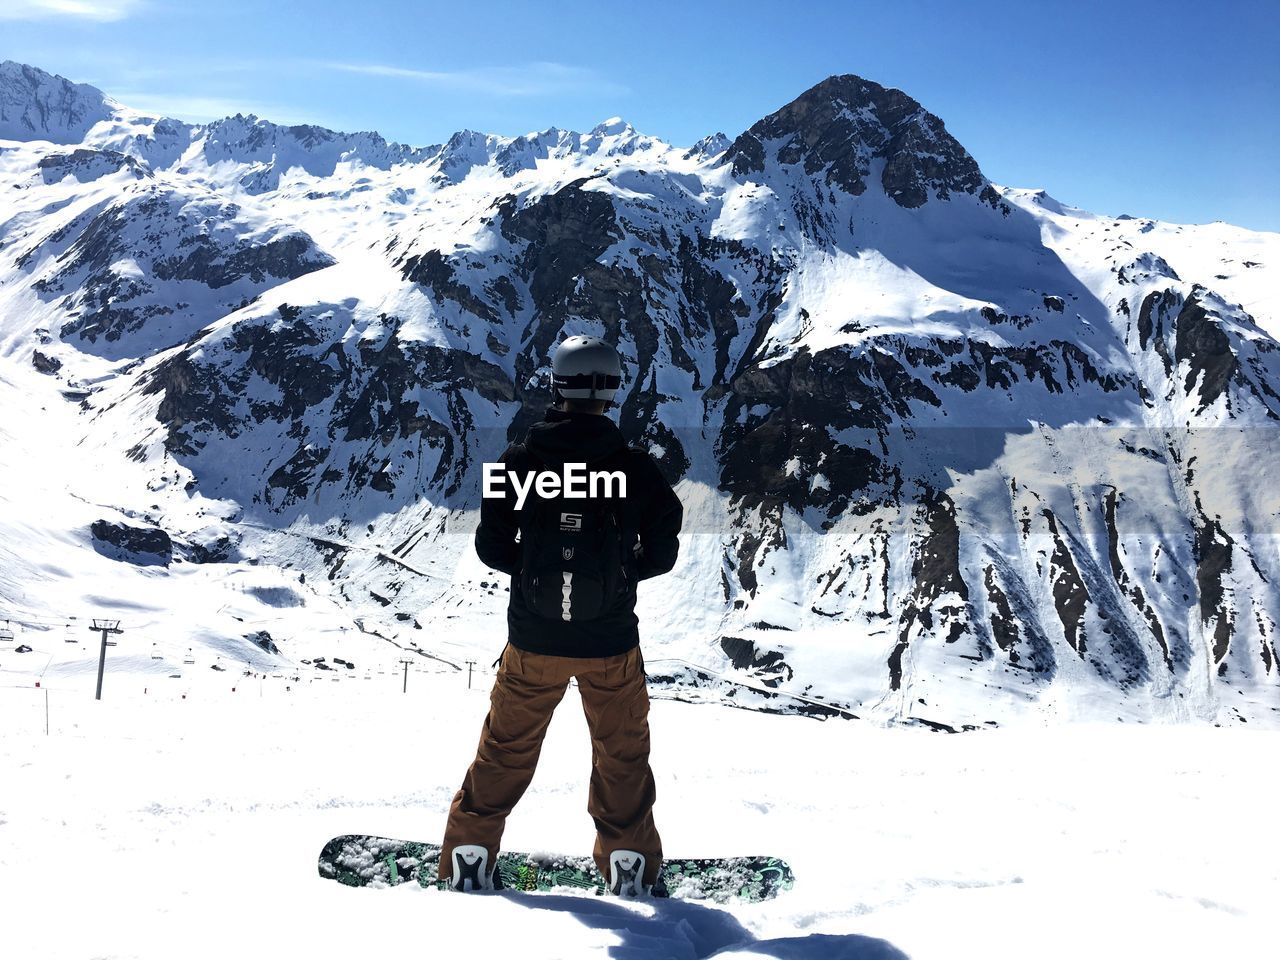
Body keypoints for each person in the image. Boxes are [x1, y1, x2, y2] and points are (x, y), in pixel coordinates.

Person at [440, 335, 684, 896]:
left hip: (533, 640)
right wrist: (622, 575)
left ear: (557, 385)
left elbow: (492, 547)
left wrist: (532, 569)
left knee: (506, 748)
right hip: (611, 645)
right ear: (614, 390)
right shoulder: (636, 470)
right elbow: (665, 552)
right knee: (621, 754)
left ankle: (470, 853)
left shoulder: (519, 464)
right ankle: (629, 865)